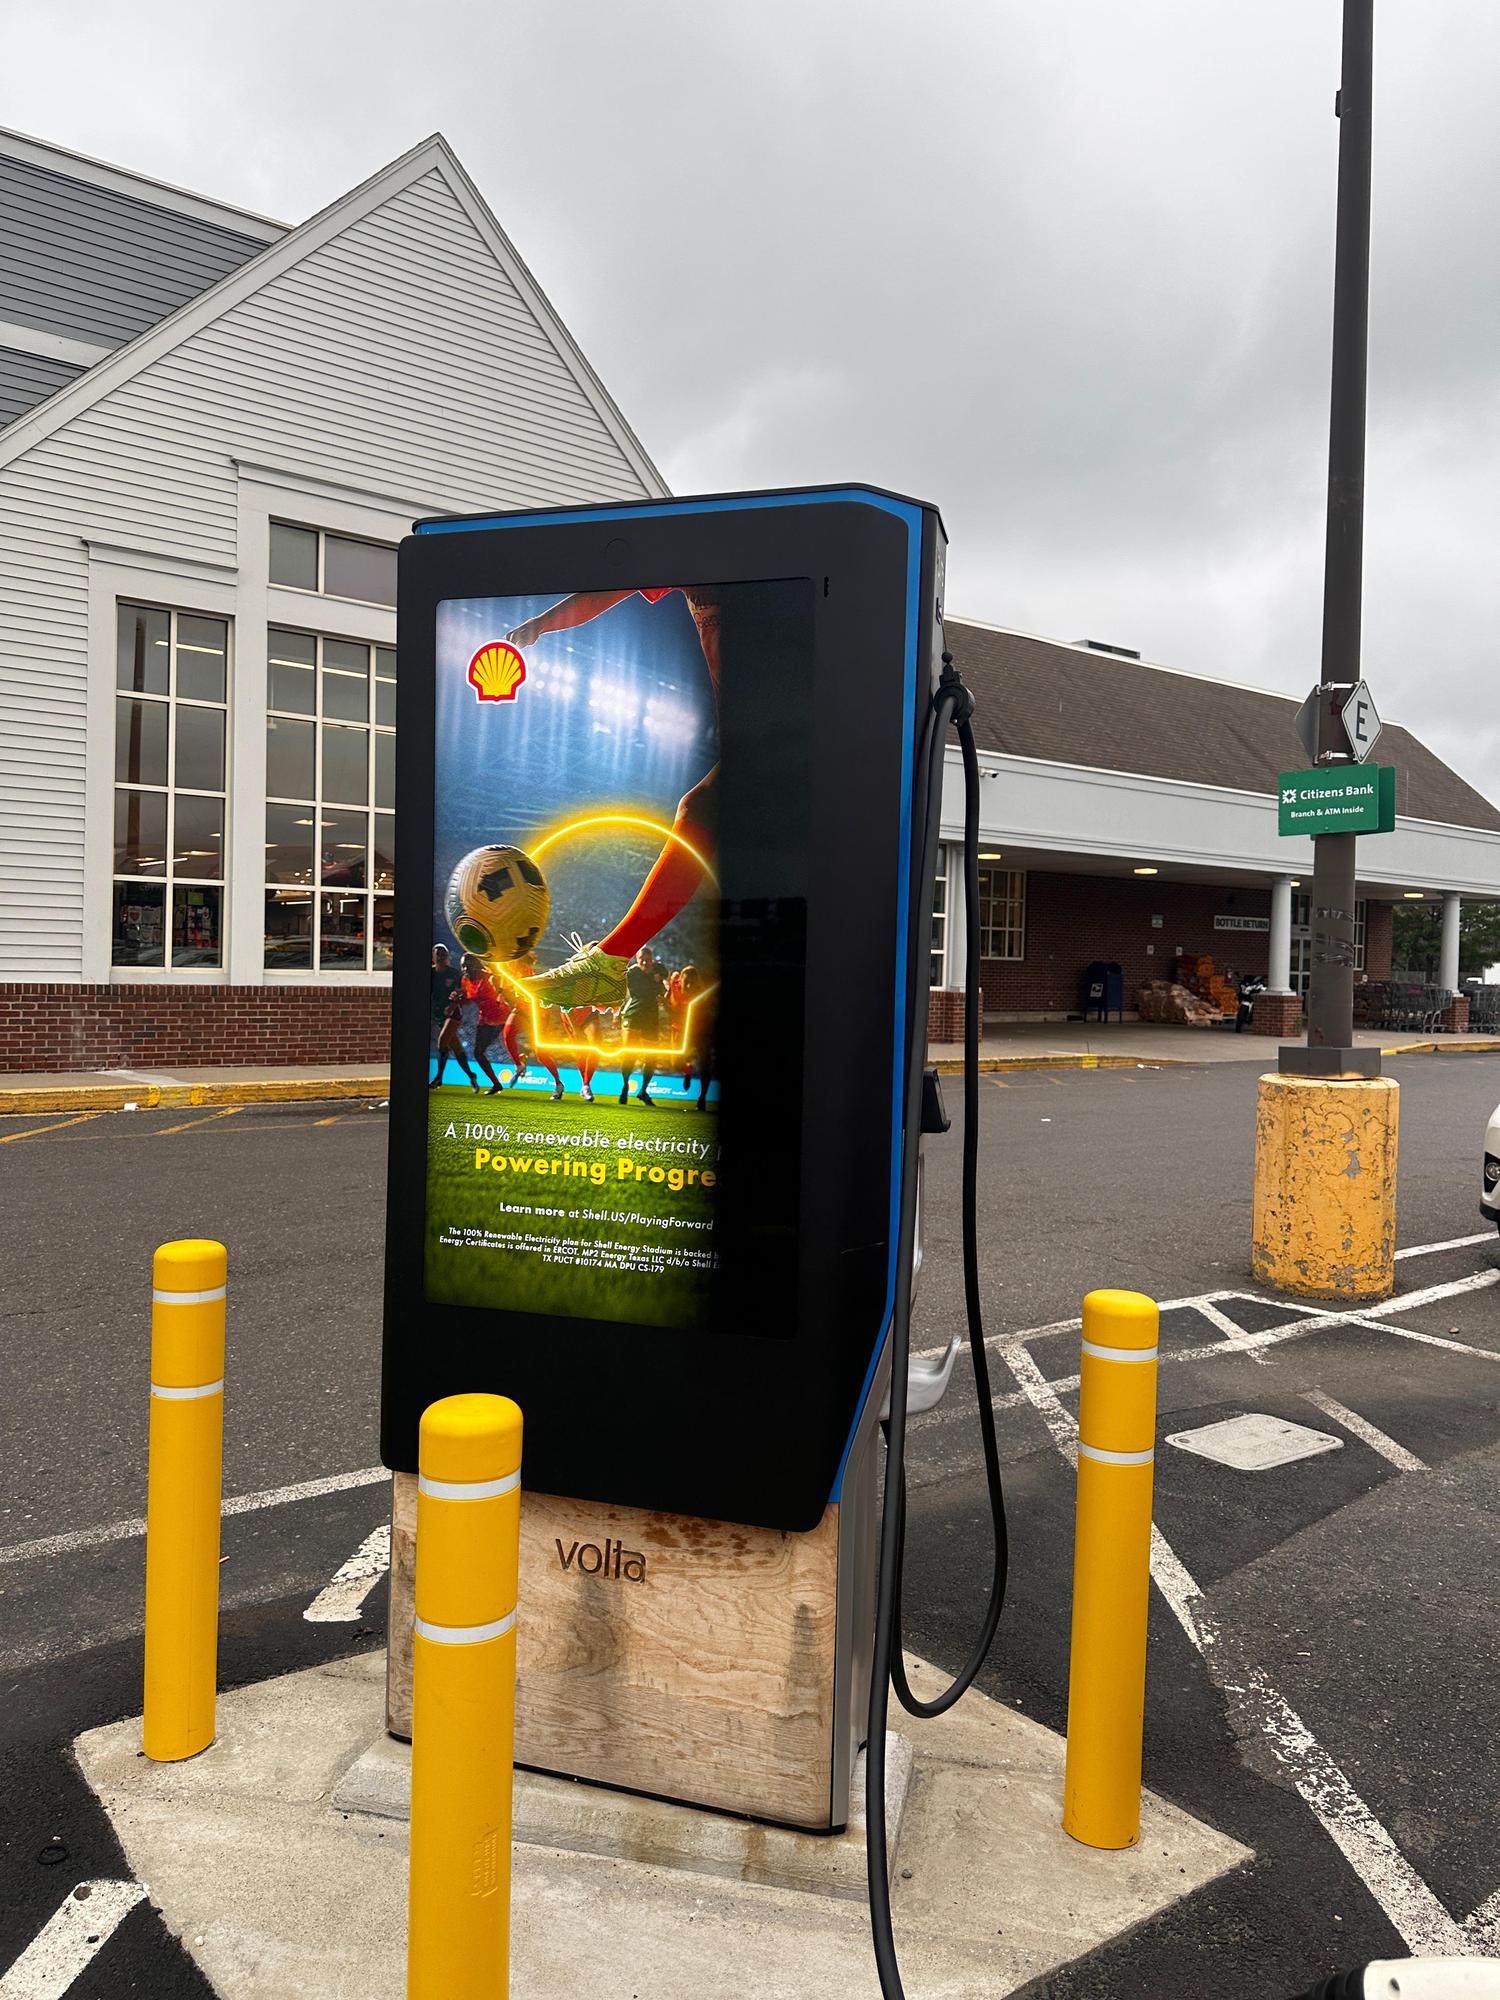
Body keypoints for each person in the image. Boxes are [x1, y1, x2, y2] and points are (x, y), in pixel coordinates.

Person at [506, 586, 720, 1008]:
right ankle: (608, 962)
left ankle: (607, 964)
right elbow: (602, 593)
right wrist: (541, 624)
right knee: (701, 812)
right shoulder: (678, 545)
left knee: (703, 811)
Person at [616, 946, 667, 1107]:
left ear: (652, 959)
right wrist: (615, 1011)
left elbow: (666, 985)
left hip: (651, 1016)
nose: (644, 962)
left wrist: (663, 993)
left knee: (651, 1057)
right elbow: (619, 991)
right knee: (629, 1054)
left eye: (647, 959)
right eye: (641, 959)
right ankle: (625, 1085)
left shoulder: (660, 969)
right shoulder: (631, 973)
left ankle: (643, 1091)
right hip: (634, 1015)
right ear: (637, 959)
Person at [460, 952, 511, 1095]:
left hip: (501, 1016)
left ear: (476, 965)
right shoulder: (466, 980)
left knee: (504, 1045)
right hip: (485, 1019)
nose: (465, 969)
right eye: (463, 966)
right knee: (478, 1052)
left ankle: (519, 1059)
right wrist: (457, 998)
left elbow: (502, 988)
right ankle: (496, 1084)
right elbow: (467, 998)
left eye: (468, 965)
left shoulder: (489, 977)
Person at [429, 944, 478, 1091]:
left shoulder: (454, 974)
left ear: (447, 956)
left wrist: (453, 1003)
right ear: (433, 956)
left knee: (442, 1043)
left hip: (453, 1014)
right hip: (439, 1015)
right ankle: (471, 1075)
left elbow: (462, 993)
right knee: (456, 1048)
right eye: (438, 954)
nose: (441, 957)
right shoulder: (431, 973)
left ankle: (438, 1078)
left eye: (443, 954)